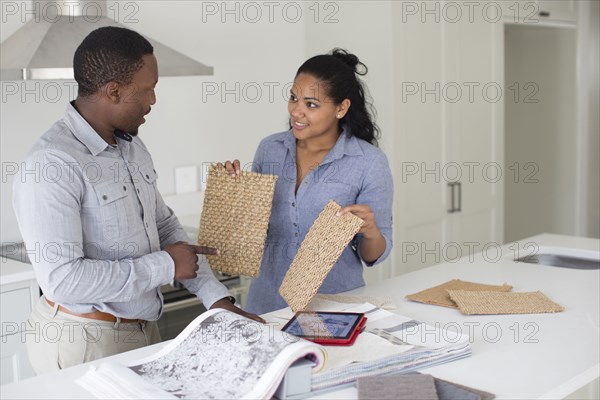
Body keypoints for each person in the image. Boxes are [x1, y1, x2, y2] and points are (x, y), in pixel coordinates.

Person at [12, 26, 263, 375]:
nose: (153, 101)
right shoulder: (51, 165)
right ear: (113, 91)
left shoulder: (131, 146)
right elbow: (63, 279)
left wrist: (217, 300)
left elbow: (163, 224)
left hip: (142, 331)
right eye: (148, 90)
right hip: (84, 342)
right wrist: (166, 266)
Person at [225, 49, 393, 314]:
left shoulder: (368, 162)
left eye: (311, 104)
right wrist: (235, 197)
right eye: (293, 98)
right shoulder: (270, 149)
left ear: (341, 108)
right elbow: (248, 242)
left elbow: (372, 255)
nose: (296, 111)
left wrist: (371, 231)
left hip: (335, 308)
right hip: (266, 306)